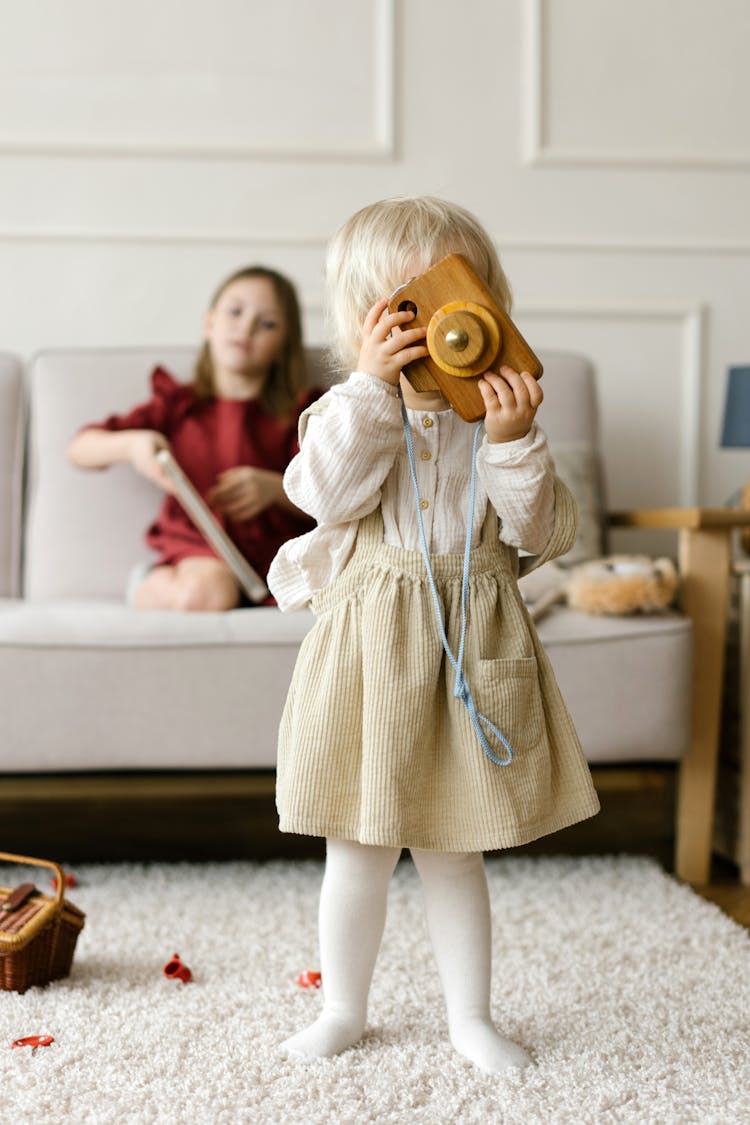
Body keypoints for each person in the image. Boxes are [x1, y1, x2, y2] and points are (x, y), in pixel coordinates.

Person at [267, 196, 600, 1073]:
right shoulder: (349, 408)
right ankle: (343, 1006)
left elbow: (538, 528)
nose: (434, 326)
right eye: (403, 307)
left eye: (457, 295)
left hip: (468, 636)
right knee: (360, 845)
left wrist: (512, 437)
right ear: (365, 320)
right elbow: (325, 493)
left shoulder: (497, 414)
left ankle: (470, 1015)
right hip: (373, 644)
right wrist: (375, 388)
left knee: (456, 846)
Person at [67, 266, 321, 610]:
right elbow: (79, 449)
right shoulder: (178, 404)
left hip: (276, 556)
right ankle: (151, 583)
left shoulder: (303, 413)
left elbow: (330, 496)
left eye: (267, 323)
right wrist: (132, 444)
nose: (245, 328)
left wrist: (274, 489)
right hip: (199, 550)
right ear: (209, 323)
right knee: (208, 590)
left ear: (284, 345)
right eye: (235, 312)